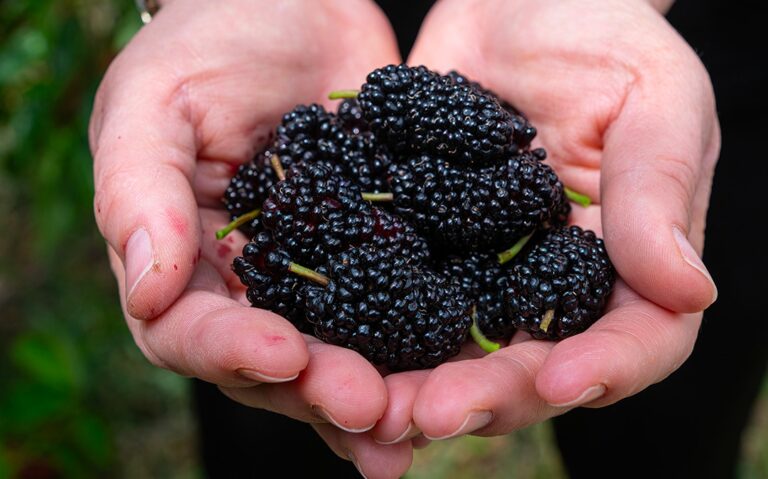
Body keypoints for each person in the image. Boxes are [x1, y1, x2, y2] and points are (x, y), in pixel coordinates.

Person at [90, 0, 765, 477]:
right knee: (276, 394)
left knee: (661, 430)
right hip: (295, 31)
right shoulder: (323, 200)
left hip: (657, 29)